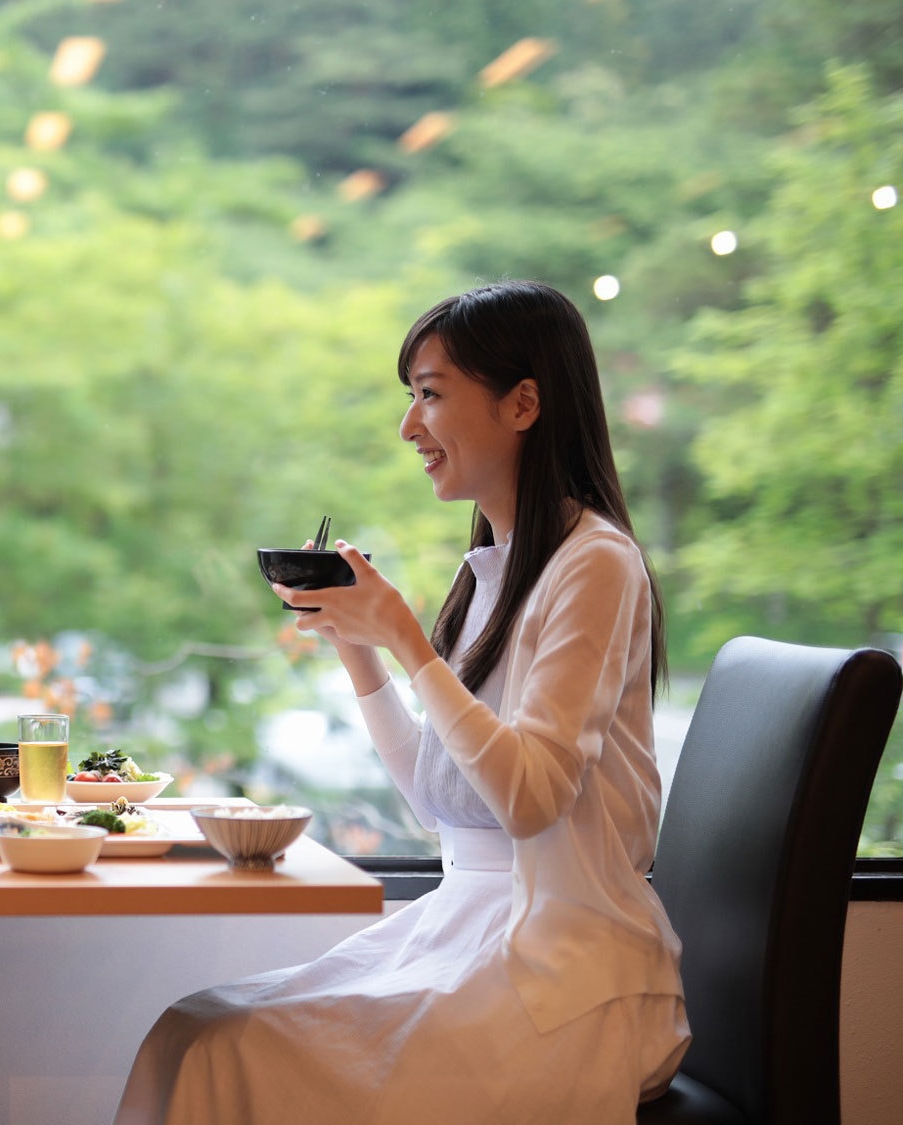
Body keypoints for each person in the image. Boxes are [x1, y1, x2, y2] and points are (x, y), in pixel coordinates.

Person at [116, 281, 689, 1123]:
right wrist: (361, 649)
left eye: (430, 394)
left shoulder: (595, 563)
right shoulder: (492, 571)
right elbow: (441, 801)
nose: (409, 427)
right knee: (190, 1031)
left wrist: (408, 642)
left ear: (523, 403)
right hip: (473, 928)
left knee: (231, 1051)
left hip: (573, 973)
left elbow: (530, 801)